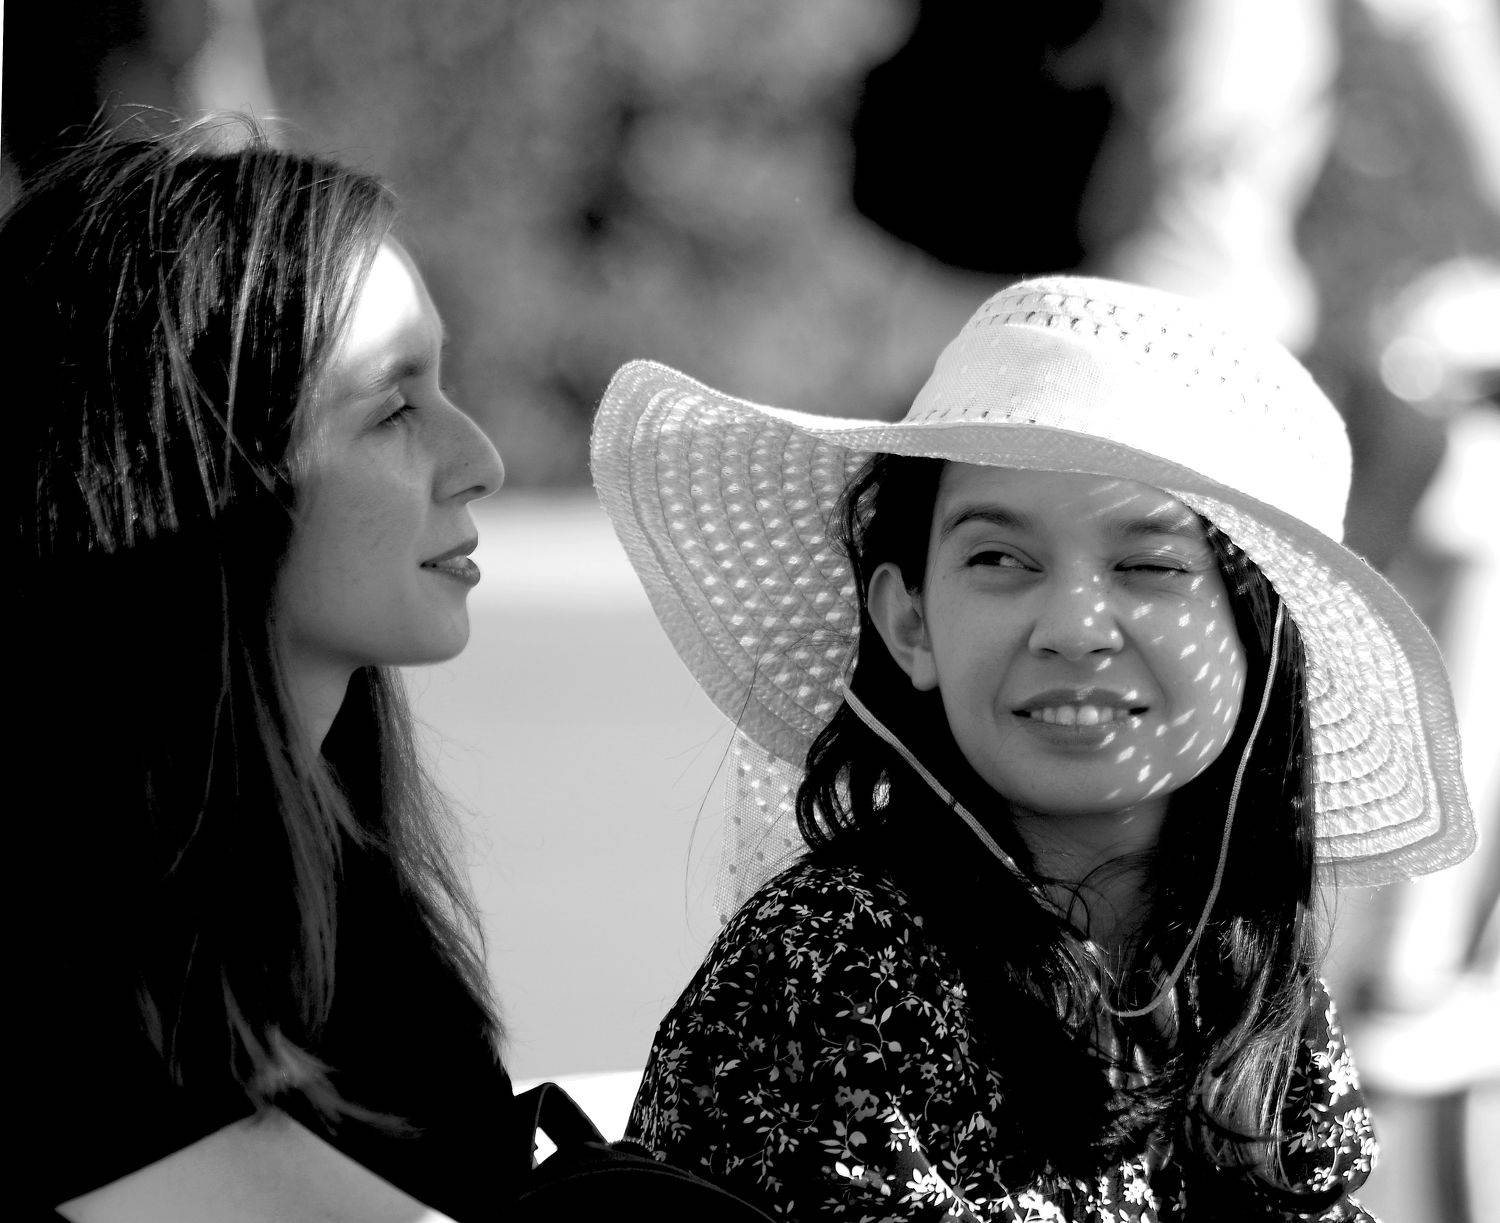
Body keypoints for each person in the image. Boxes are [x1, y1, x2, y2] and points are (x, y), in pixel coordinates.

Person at [590, 276, 1476, 1220]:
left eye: (1150, 564)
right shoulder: (838, 963)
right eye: (1000, 558)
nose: (1074, 628)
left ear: (1263, 639)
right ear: (909, 622)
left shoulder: (1242, 982)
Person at [11, 121, 515, 1221]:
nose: (481, 460)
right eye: (394, 407)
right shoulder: (64, 953)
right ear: (195, 476)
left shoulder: (339, 900)